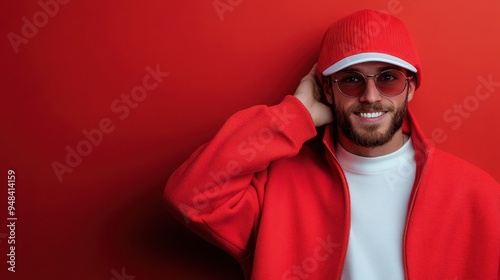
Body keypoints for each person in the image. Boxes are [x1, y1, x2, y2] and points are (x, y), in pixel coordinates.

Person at [164, 9, 500, 280]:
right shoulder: (279, 188)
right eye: (351, 79)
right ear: (327, 90)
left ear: (411, 88)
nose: (371, 96)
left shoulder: (478, 194)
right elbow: (190, 197)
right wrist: (293, 117)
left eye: (388, 78)